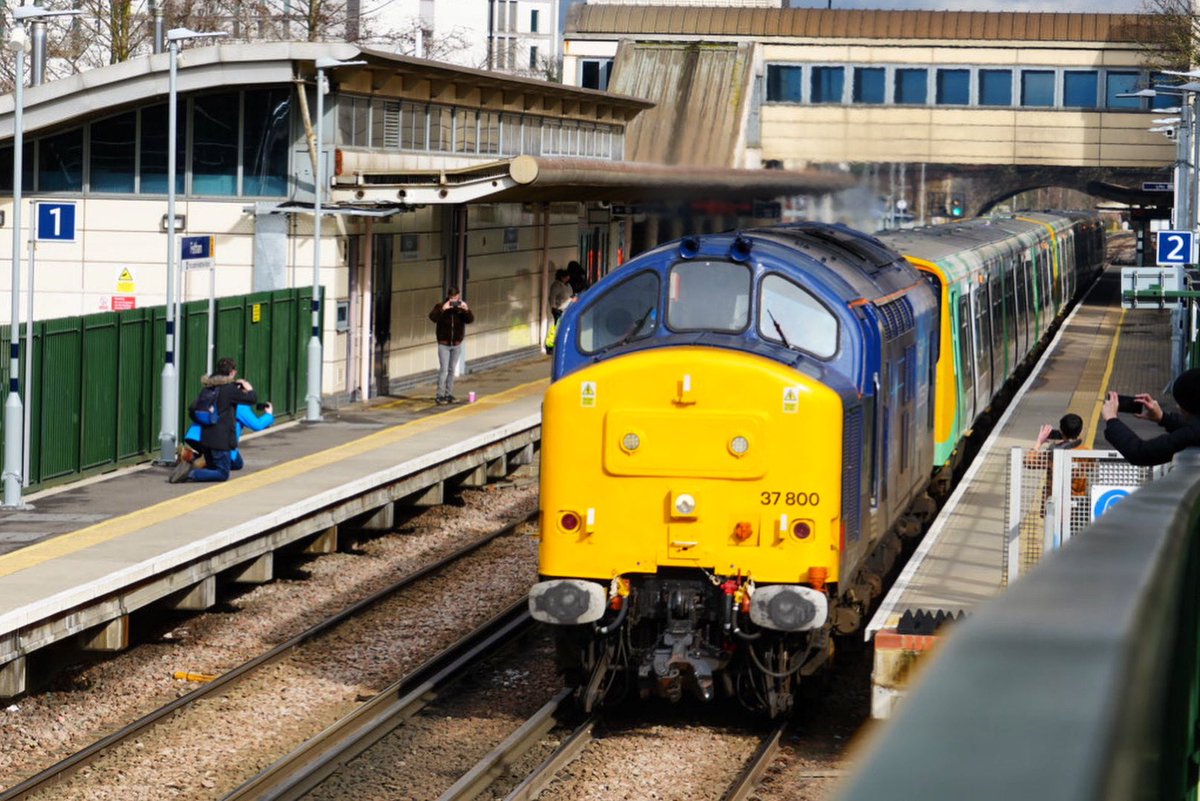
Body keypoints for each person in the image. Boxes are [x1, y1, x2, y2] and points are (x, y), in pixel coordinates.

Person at [169, 357, 257, 483]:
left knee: (212, 467)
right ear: (232, 372)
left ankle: (190, 466)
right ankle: (191, 473)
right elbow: (252, 398)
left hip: (206, 437)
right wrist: (248, 387)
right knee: (222, 473)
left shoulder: (208, 388)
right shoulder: (229, 390)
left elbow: (193, 407)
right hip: (222, 440)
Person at [1102, 368, 1200, 466]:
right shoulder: (1195, 431)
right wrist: (1163, 417)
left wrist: (1112, 420)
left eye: (1180, 403)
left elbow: (1140, 453)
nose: (1178, 407)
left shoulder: (1193, 434)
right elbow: (1190, 429)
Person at [179, 401, 275, 473]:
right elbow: (257, 425)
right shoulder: (239, 405)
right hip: (217, 442)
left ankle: (190, 455)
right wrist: (269, 415)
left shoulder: (215, 397)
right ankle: (203, 461)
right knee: (237, 463)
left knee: (210, 453)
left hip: (194, 437)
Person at [428, 286, 474, 405]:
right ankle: (439, 395)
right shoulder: (440, 306)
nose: (454, 300)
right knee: (443, 370)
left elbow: (470, 320)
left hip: (457, 344)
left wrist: (466, 310)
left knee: (451, 370)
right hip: (444, 343)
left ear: (458, 295)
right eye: (452, 297)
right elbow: (432, 318)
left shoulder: (460, 308)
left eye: (456, 297)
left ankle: (449, 394)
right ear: (448, 296)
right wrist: (443, 309)